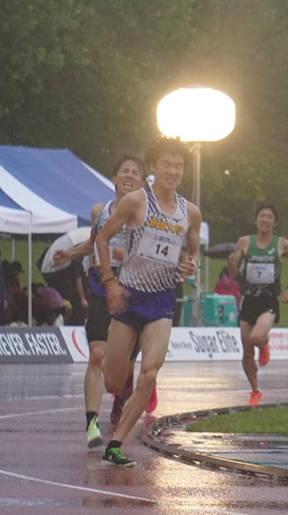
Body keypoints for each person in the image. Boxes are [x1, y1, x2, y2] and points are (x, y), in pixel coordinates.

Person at [94, 136, 201, 467]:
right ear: (153, 168)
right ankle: (121, 379)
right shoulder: (137, 201)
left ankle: (115, 443)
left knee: (149, 375)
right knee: (114, 381)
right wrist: (110, 283)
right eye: (166, 164)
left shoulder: (190, 212)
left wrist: (190, 264)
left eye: (178, 166)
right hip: (128, 298)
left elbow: (193, 250)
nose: (172, 170)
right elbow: (102, 237)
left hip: (161, 301)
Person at [52, 155, 152, 444]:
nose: (129, 175)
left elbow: (153, 255)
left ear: (143, 182)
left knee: (121, 369)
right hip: (100, 289)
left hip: (132, 292)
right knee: (97, 355)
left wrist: (127, 256)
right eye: (125, 171)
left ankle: (121, 395)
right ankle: (91, 424)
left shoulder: (145, 214)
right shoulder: (100, 210)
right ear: (114, 178)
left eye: (135, 172)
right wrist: (69, 255)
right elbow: (95, 242)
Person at [231, 204, 288, 405]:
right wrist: (231, 263)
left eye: (269, 217)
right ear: (255, 220)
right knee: (246, 351)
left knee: (256, 337)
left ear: (274, 222)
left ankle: (264, 343)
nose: (264, 220)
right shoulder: (244, 242)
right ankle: (255, 391)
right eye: (261, 216)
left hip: (269, 300)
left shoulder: (282, 244)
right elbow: (234, 273)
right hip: (249, 299)